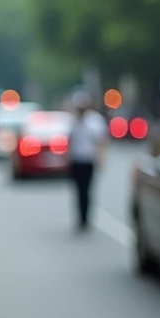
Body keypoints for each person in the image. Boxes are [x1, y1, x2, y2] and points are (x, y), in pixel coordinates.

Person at [68, 91, 108, 232]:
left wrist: (101, 158)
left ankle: (86, 218)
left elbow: (101, 141)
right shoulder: (73, 121)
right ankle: (80, 217)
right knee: (78, 190)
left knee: (87, 189)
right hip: (76, 160)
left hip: (88, 160)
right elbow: (69, 140)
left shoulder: (95, 121)